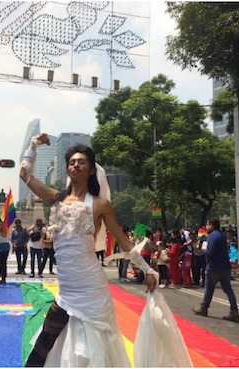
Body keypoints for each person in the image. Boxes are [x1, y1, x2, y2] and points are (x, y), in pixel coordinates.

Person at [19, 135, 157, 366]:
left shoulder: (100, 204)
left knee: (92, 350)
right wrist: (33, 145)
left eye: (81, 161)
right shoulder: (55, 199)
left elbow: (124, 242)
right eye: (72, 162)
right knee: (44, 342)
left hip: (91, 289)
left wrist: (147, 269)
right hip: (66, 291)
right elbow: (25, 175)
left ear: (92, 170)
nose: (75, 165)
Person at [193, 217, 239, 322]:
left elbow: (210, 252)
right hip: (225, 267)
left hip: (213, 267)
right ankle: (234, 311)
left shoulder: (212, 236)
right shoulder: (221, 236)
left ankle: (204, 308)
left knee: (209, 288)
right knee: (228, 290)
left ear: (211, 225)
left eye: (207, 225)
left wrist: (202, 248)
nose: (206, 227)